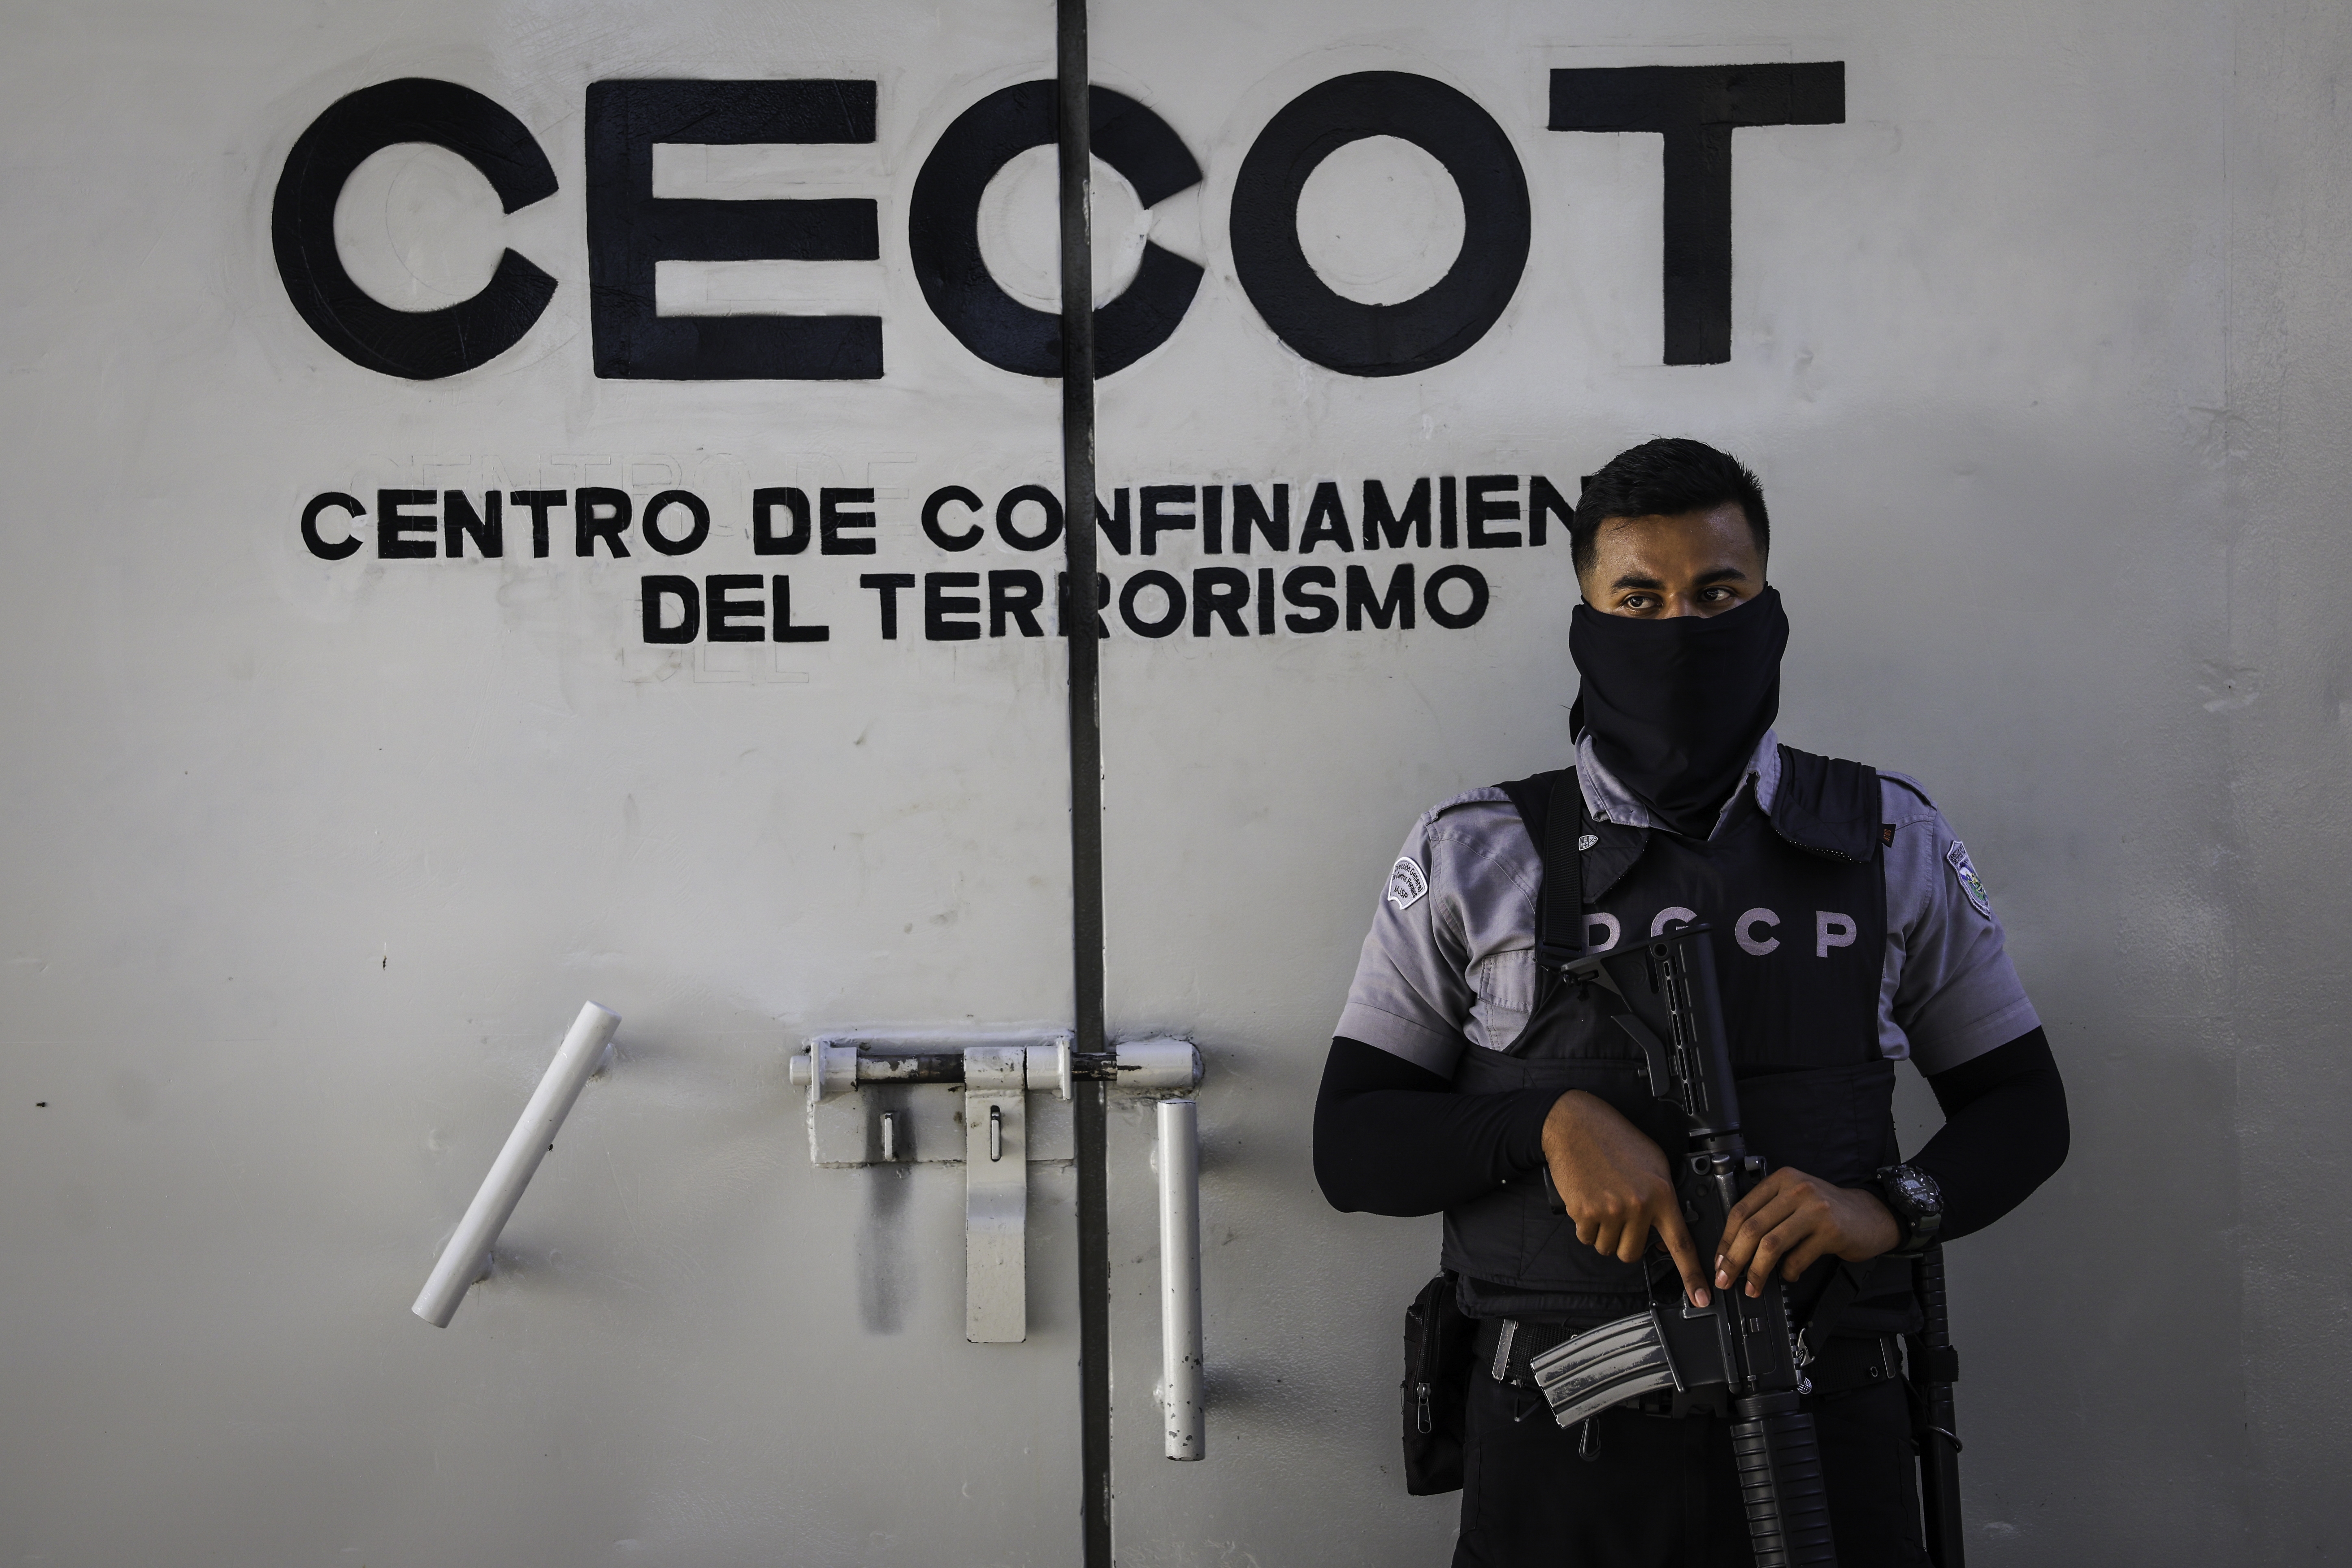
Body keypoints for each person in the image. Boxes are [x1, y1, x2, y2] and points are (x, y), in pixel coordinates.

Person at [1313, 438, 2070, 1566]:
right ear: (1588, 622)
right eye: (1640, 600)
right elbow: (1353, 1143)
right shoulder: (1479, 850)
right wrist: (1546, 1125)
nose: (1681, 629)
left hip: (1826, 1420)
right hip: (1561, 1445)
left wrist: (1887, 1208)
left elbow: (2023, 1106)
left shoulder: (1888, 837)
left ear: (1769, 608)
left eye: (1718, 594)